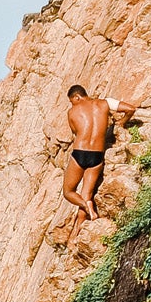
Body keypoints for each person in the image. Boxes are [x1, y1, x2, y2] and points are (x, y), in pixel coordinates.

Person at [60, 85, 137, 223]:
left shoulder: (72, 111)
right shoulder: (105, 103)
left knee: (68, 192)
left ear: (77, 97)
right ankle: (77, 229)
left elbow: (75, 132)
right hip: (97, 156)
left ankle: (85, 205)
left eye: (72, 101)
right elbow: (131, 109)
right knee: (87, 194)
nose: (72, 104)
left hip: (80, 153)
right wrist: (121, 123)